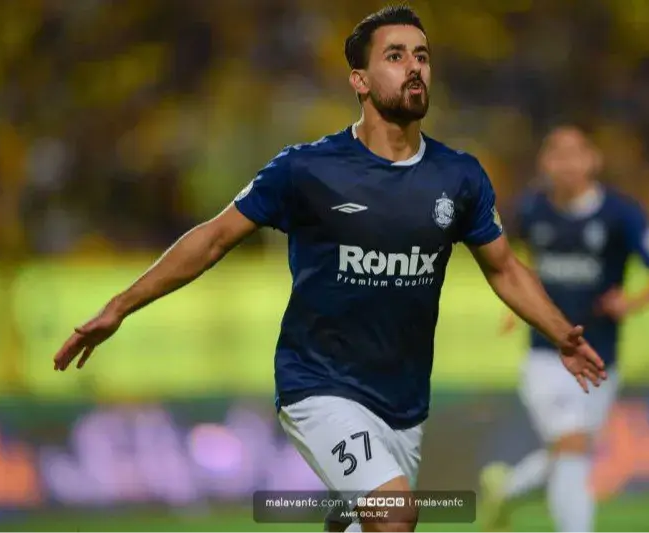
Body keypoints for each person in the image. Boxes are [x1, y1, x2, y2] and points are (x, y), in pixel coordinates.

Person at [53, 7, 606, 533]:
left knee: (376, 520)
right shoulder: (307, 169)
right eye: (395, 56)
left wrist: (562, 334)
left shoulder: (459, 176)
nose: (414, 67)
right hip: (318, 383)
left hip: (404, 402)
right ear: (359, 80)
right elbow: (214, 238)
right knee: (395, 514)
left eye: (422, 55)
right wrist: (120, 306)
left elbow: (504, 269)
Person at [479, 125, 649, 533]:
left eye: (575, 153)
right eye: (557, 154)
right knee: (572, 445)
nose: (566, 164)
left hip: (602, 358)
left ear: (592, 161)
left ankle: (507, 490)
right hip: (546, 357)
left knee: (572, 453)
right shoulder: (530, 209)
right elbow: (504, 258)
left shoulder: (621, 214)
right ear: (544, 163)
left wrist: (630, 302)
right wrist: (518, 300)